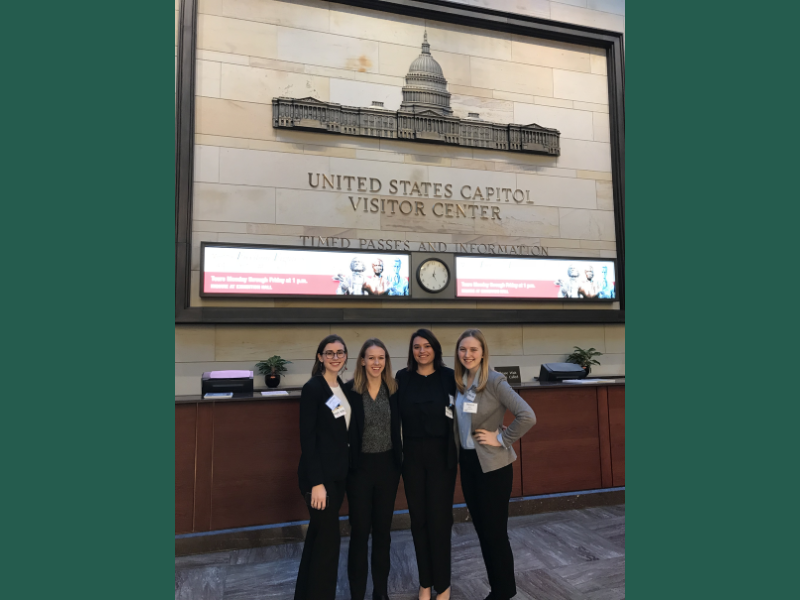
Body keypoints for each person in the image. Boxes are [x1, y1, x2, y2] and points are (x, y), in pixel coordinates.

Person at [453, 329, 536, 600]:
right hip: (468, 463)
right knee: (483, 530)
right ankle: (499, 587)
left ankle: (503, 591)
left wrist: (502, 438)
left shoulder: (495, 380)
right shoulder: (459, 380)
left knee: (495, 532)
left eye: (473, 349)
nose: (468, 354)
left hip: (494, 467)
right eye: (463, 349)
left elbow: (527, 416)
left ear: (483, 352)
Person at [395, 329, 457, 600]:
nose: (422, 351)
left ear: (435, 349)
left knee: (439, 521)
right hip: (412, 457)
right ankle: (425, 582)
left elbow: (465, 409)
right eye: (417, 347)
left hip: (442, 456)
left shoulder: (448, 376)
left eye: (427, 346)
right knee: (418, 520)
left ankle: (442, 585)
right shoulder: (402, 377)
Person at [343, 339, 403, 600]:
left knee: (382, 533)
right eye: (371, 357)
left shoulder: (395, 390)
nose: (376, 363)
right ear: (362, 361)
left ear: (386, 362)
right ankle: (357, 593)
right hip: (359, 470)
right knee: (359, 533)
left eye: (381, 358)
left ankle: (381, 592)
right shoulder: (350, 391)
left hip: (388, 468)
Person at [295, 335, 352, 600]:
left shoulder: (343, 387)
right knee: (329, 543)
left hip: (338, 477)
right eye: (329, 353)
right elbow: (307, 438)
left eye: (340, 352)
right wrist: (317, 483)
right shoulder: (313, 388)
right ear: (320, 357)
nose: (335, 357)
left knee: (319, 538)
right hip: (318, 480)